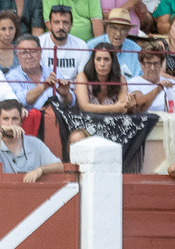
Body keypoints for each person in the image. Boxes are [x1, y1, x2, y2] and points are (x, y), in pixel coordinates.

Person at [60, 43, 159, 174]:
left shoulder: (121, 79)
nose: (102, 64)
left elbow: (123, 107)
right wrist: (114, 108)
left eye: (106, 59)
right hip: (86, 123)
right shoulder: (83, 76)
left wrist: (128, 106)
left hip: (112, 127)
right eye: (98, 59)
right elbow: (85, 106)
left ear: (112, 61)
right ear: (93, 61)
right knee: (76, 138)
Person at [0, 98, 63, 181]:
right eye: (5, 119)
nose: (10, 124)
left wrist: (40, 170)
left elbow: (59, 166)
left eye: (14, 119)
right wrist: (0, 130)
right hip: (0, 193)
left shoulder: (35, 143)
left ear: (21, 120)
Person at [8, 34, 72, 108]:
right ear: (18, 56)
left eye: (33, 51)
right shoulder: (12, 77)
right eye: (24, 53)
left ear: (40, 52)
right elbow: (20, 101)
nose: (29, 56)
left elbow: (71, 102)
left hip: (55, 117)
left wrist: (65, 95)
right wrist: (43, 87)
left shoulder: (53, 72)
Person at [128, 40, 175, 113]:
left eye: (156, 63)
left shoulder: (170, 82)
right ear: (141, 64)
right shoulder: (133, 82)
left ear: (161, 63)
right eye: (148, 63)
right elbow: (140, 106)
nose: (152, 68)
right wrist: (158, 89)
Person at [82, 7, 143, 77]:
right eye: (114, 28)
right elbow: (84, 74)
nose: (118, 34)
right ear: (107, 28)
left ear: (128, 31)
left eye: (123, 29)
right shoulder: (91, 46)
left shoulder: (135, 50)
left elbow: (140, 78)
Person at [38, 5, 87, 84]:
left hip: (72, 91)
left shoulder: (81, 46)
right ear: (50, 24)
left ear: (71, 24)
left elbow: (82, 78)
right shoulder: (39, 43)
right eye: (56, 22)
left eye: (65, 22)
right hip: (46, 88)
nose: (61, 27)